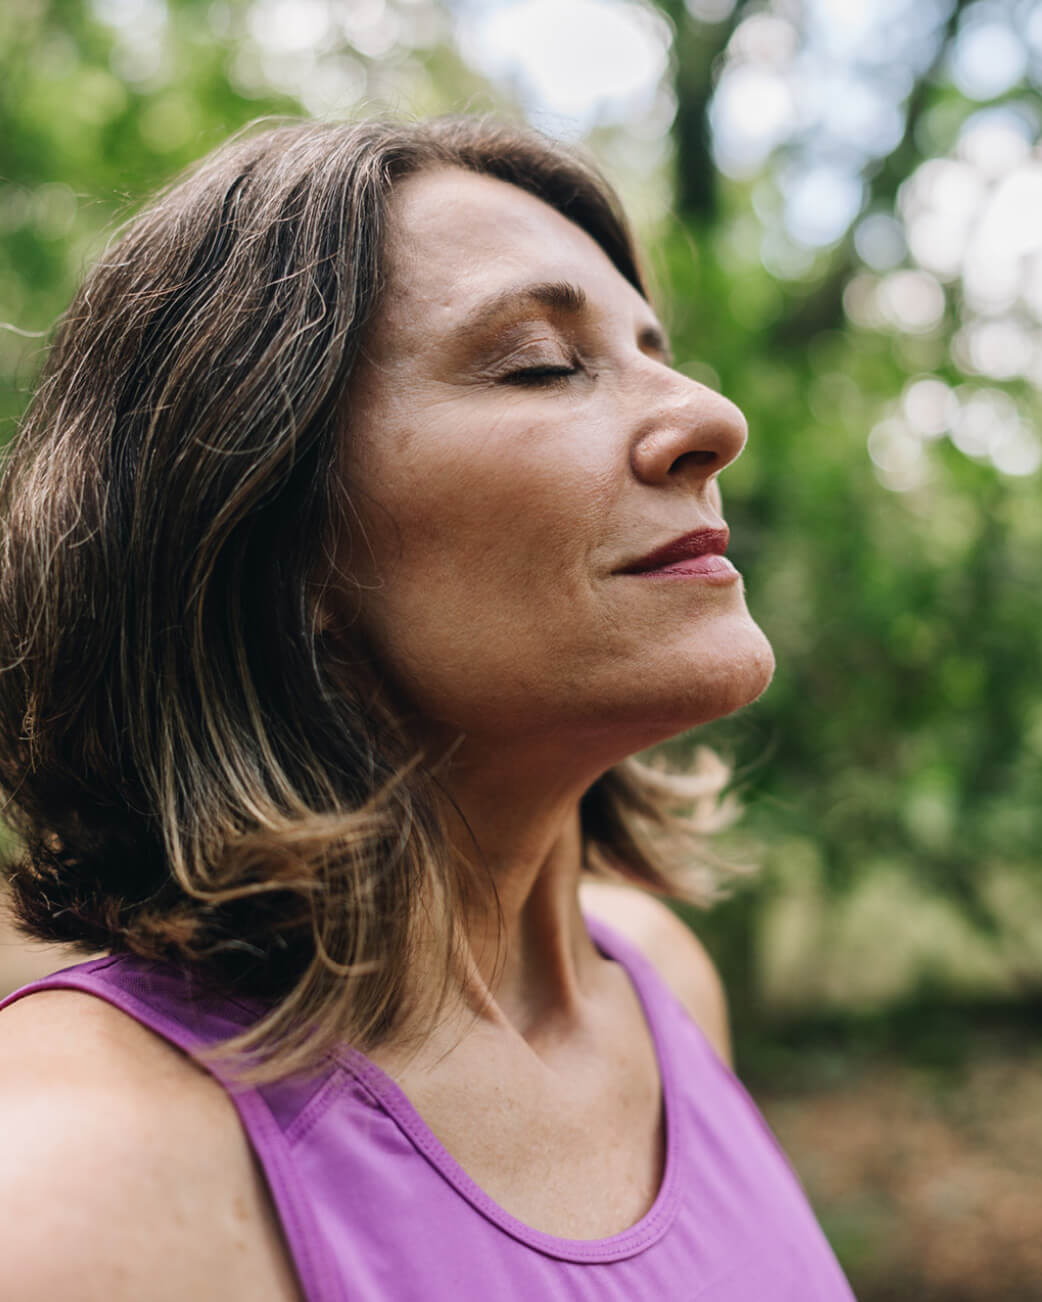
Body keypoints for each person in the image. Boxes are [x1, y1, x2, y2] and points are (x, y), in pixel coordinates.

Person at [0, 117, 854, 1301]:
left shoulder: (660, 983)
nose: (713, 419)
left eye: (656, 351)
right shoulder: (84, 1178)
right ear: (266, 542)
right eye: (542, 364)